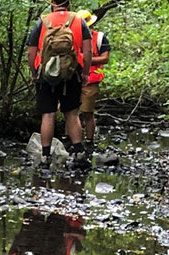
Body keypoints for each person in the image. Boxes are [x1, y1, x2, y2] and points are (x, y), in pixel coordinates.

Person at [25, 0, 92, 167]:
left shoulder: (42, 21)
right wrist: (84, 73)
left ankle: (45, 156)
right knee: (72, 113)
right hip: (71, 71)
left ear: (52, 5)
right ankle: (78, 152)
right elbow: (88, 50)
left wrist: (34, 74)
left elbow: (31, 52)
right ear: (68, 4)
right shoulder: (79, 20)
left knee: (48, 115)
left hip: (45, 73)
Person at [76, 10, 111, 156]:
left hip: (91, 81)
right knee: (70, 113)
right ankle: (72, 140)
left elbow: (105, 58)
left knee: (88, 113)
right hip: (73, 80)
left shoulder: (99, 38)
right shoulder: (71, 37)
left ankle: (89, 142)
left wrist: (85, 59)